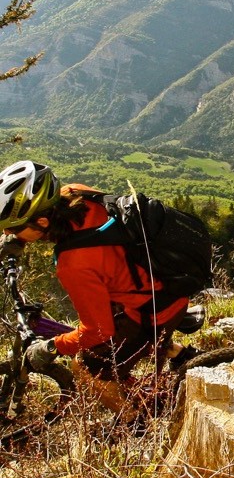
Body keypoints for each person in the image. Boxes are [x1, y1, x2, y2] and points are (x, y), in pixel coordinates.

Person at [0, 160, 200, 429]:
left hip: (154, 309)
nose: (7, 233)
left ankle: (136, 425)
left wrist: (51, 346)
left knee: (84, 368)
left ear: (43, 220)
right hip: (160, 287)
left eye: (13, 228)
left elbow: (98, 331)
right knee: (109, 326)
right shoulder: (75, 194)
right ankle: (178, 354)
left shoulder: (74, 263)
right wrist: (18, 238)